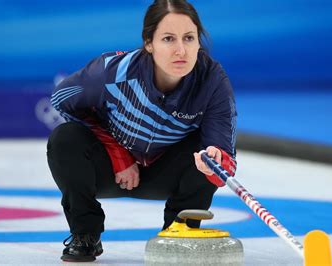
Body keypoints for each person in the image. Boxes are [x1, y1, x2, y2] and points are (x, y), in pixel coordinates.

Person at [46, 0, 237, 262]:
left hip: (165, 172)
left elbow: (224, 150)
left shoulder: (212, 81)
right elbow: (60, 99)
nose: (181, 50)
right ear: (149, 42)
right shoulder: (111, 72)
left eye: (189, 38)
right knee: (65, 138)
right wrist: (119, 154)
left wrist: (217, 161)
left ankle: (179, 235)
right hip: (110, 171)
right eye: (168, 39)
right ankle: (85, 235)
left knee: (206, 155)